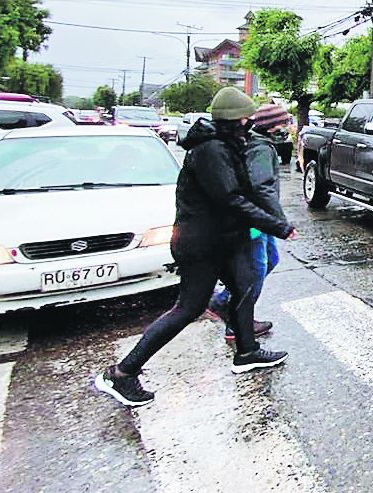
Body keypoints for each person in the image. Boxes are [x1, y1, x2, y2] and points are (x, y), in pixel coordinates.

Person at [94, 87, 298, 408]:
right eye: (245, 119)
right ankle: (122, 372)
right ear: (234, 121)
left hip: (226, 239)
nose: (249, 124)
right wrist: (279, 226)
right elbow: (231, 198)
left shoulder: (227, 144)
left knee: (244, 286)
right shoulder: (211, 151)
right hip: (201, 244)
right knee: (188, 308)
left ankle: (247, 352)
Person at [206, 103, 292, 342]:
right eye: (283, 123)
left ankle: (229, 306)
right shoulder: (261, 148)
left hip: (259, 219)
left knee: (269, 260)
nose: (287, 128)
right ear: (272, 126)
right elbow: (261, 187)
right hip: (255, 220)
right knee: (256, 268)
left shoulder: (258, 143)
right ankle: (235, 318)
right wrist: (280, 223)